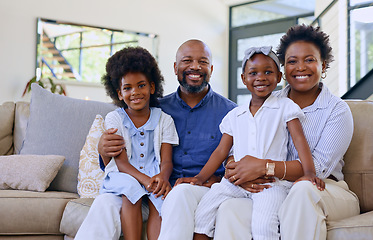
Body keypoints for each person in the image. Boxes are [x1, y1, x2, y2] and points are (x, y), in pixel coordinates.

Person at [75, 39, 237, 240]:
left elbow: (236, 159)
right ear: (176, 68)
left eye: (202, 62)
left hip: (194, 191)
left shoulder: (232, 113)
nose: (195, 66)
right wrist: (103, 148)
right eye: (187, 61)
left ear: (211, 68)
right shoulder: (155, 108)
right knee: (104, 203)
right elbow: (117, 160)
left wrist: (218, 179)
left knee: (178, 198)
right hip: (150, 188)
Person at [215, 24, 360, 240]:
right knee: (230, 209)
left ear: (324, 64)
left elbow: (316, 171)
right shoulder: (267, 103)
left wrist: (263, 167)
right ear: (283, 69)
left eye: (309, 60)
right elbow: (237, 149)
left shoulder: (336, 110)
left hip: (325, 190)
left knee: (302, 190)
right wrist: (237, 170)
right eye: (292, 61)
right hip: (274, 189)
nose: (300, 67)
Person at [183, 46, 324, 240]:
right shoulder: (235, 115)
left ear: (279, 76)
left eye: (268, 72)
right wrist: (200, 178)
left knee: (264, 226)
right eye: (253, 73)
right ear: (243, 79)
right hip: (235, 183)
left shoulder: (285, 107)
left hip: (270, 185)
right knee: (203, 213)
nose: (261, 77)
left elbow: (300, 142)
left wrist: (309, 173)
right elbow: (221, 151)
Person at [96, 46, 179, 240]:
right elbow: (122, 163)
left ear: (152, 87)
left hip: (153, 172)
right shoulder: (114, 119)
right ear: (119, 93)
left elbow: (167, 160)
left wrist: (162, 177)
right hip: (124, 173)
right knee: (130, 190)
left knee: (160, 199)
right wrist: (145, 180)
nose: (135, 92)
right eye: (128, 88)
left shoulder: (165, 120)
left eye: (141, 85)